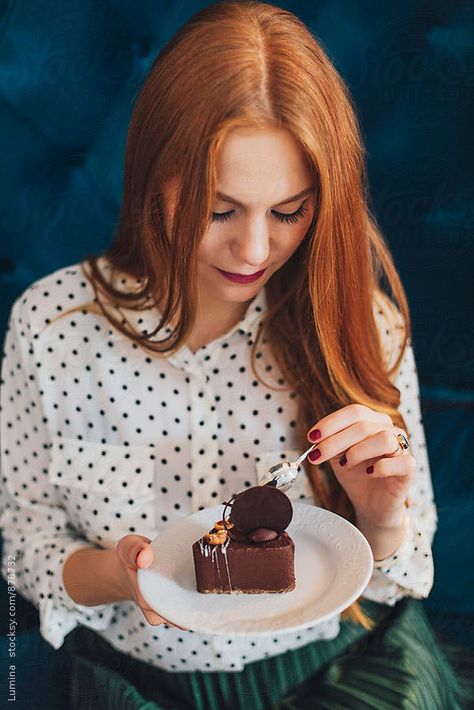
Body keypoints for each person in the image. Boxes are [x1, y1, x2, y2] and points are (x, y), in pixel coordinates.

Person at [0, 2, 468, 708]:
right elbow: (26, 542)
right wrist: (117, 574)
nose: (254, 251)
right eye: (219, 209)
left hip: (342, 668)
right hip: (140, 683)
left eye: (289, 212)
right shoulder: (51, 328)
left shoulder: (361, 323)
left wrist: (381, 515)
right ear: (154, 173)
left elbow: (404, 565)